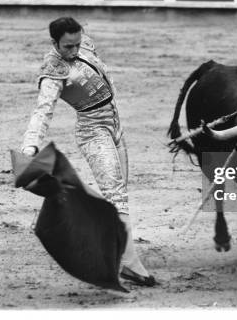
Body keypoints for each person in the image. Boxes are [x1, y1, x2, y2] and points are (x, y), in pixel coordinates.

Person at [21, 16, 155, 287]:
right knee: (116, 194)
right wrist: (30, 145)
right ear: (54, 43)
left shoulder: (84, 44)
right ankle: (129, 263)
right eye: (67, 47)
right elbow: (43, 110)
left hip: (115, 126)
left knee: (119, 192)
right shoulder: (53, 71)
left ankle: (109, 241)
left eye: (77, 44)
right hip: (92, 131)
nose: (74, 51)